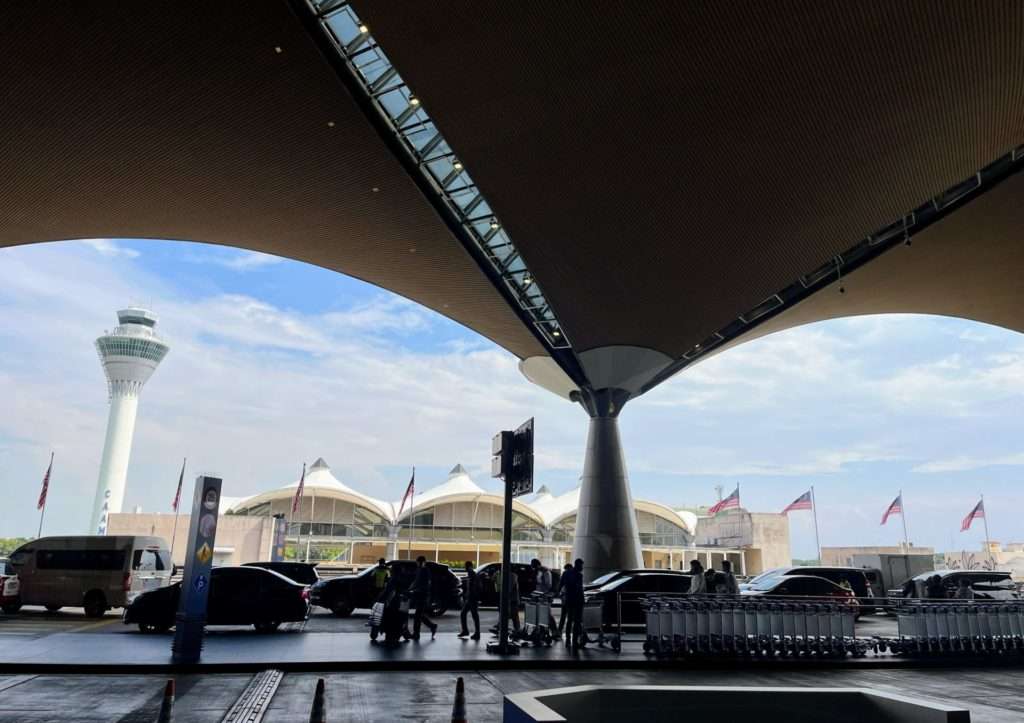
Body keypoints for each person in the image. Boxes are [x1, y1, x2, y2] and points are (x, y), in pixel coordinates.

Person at [408, 556, 437, 640]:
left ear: (424, 562)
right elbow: (416, 581)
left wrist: (414, 589)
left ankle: (416, 634)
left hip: (423, 595)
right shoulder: (419, 570)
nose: (419, 564)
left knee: (418, 615)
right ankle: (432, 626)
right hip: (418, 594)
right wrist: (410, 588)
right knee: (419, 615)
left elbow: (426, 583)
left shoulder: (426, 571)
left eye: (420, 562)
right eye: (418, 562)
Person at [561, 558, 585, 648]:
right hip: (577, 600)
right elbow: (580, 589)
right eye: (581, 565)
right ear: (578, 565)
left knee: (570, 620)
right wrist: (583, 600)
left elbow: (561, 584)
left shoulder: (566, 573)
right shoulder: (579, 575)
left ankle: (568, 640)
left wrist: (559, 594)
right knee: (577, 621)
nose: (582, 568)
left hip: (568, 600)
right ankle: (574, 641)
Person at [458, 560, 482, 640]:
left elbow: (474, 587)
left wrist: (471, 596)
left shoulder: (473, 575)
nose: (465, 568)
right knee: (464, 613)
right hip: (470, 598)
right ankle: (466, 631)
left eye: (466, 567)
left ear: (469, 567)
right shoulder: (470, 574)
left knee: (474, 615)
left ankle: (476, 633)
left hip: (472, 598)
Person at [556, 563, 572, 635]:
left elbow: (561, 584)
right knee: (571, 617)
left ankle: (560, 630)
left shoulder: (565, 573)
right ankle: (570, 632)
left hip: (566, 598)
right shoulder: (577, 574)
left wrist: (558, 592)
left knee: (563, 615)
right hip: (572, 599)